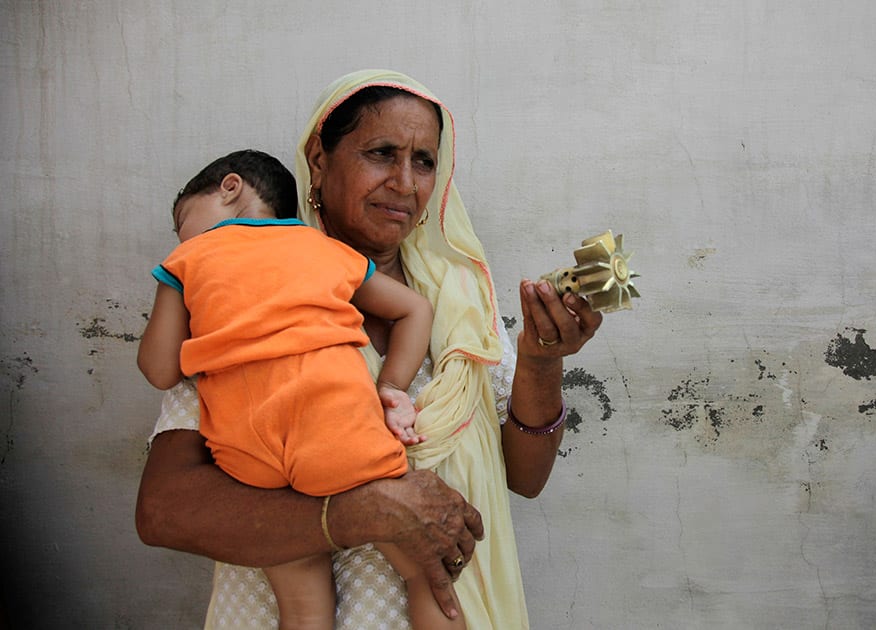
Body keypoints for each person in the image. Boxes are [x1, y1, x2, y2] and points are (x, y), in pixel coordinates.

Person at [135, 69, 603, 629]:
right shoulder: (243, 291)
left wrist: (540, 358)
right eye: (382, 153)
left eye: (424, 161)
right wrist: (351, 513)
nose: (405, 183)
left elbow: (524, 479)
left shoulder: (460, 303)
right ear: (318, 160)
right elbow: (163, 510)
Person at [136, 149, 463, 628]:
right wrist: (391, 386)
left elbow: (160, 369)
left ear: (230, 187)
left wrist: (178, 281)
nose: (181, 236)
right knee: (422, 576)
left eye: (182, 221)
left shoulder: (188, 258)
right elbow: (415, 310)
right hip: (337, 431)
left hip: (248, 453)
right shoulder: (325, 250)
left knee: (304, 608)